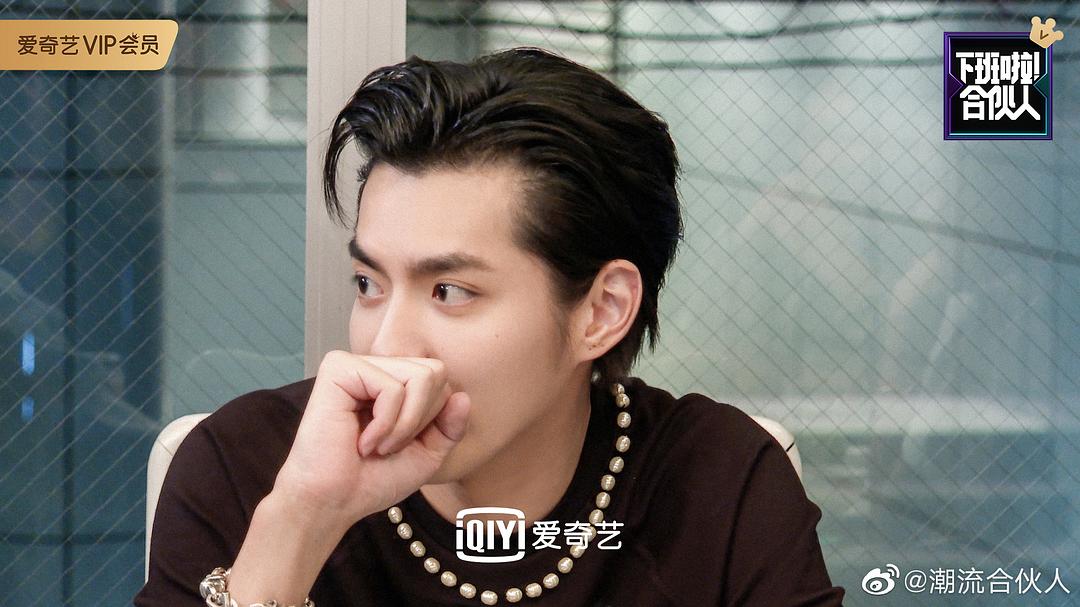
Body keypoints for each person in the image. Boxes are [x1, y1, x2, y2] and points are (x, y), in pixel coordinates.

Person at [135, 46, 845, 606]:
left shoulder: (717, 485)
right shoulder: (245, 468)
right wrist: (298, 522)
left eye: (449, 291)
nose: (385, 347)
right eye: (368, 284)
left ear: (601, 311)